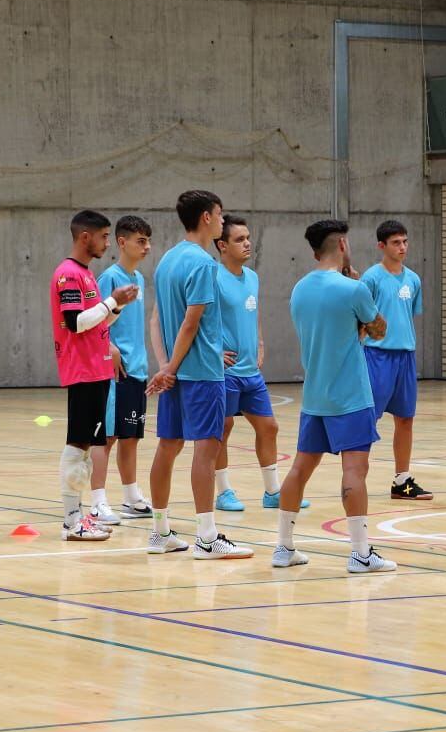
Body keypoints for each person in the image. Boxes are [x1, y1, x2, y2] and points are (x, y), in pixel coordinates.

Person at [272, 219, 396, 573]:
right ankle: (360, 553)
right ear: (342, 244)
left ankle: (283, 547)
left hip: (315, 397)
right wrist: (359, 290)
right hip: (351, 397)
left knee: (300, 469)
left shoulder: (298, 290)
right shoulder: (353, 289)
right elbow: (380, 329)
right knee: (355, 471)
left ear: (314, 251)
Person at [147, 189, 252, 560]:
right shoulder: (204, 264)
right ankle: (207, 538)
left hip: (175, 374)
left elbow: (156, 319)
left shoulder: (165, 262)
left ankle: (160, 532)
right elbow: (191, 324)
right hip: (202, 374)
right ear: (206, 217)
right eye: (220, 215)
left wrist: (163, 367)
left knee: (168, 446)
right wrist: (172, 368)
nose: (223, 221)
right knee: (205, 453)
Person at [50, 210, 138, 542]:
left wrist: (116, 307)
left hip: (97, 369)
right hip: (83, 371)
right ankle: (72, 521)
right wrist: (111, 301)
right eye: (103, 236)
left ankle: (80, 516)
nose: (107, 243)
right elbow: (76, 323)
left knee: (86, 449)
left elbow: (96, 322)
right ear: (85, 236)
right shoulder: (68, 275)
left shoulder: (86, 275)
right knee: (78, 445)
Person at [211, 215, 294, 513]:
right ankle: (223, 493)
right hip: (225, 371)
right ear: (222, 245)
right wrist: (213, 352)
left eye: (248, 238)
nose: (247, 244)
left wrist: (260, 341)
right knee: (223, 428)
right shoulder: (213, 278)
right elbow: (195, 319)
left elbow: (254, 313)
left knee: (269, 427)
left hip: (250, 371)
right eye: (239, 239)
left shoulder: (253, 277)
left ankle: (272, 492)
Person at [87, 215, 156, 525]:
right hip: (115, 372)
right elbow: (95, 323)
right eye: (141, 241)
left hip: (137, 370)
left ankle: (131, 496)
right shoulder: (109, 279)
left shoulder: (139, 279)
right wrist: (109, 348)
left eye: (148, 241)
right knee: (108, 437)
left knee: (131, 437)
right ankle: (97, 502)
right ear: (122, 242)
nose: (147, 247)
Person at [362, 220, 432, 501]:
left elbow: (408, 315)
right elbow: (361, 320)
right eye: (395, 243)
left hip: (405, 356)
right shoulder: (371, 279)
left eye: (405, 242)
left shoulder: (413, 279)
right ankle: (357, 478)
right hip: (377, 356)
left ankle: (402, 481)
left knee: (405, 419)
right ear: (382, 246)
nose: (402, 247)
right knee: (369, 418)